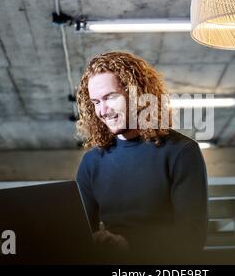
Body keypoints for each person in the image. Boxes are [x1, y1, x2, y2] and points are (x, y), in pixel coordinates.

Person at [75, 52, 207, 261]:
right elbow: (79, 236)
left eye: (110, 97)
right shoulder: (92, 161)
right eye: (96, 102)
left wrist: (130, 245)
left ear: (137, 94)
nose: (102, 110)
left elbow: (193, 234)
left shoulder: (181, 151)